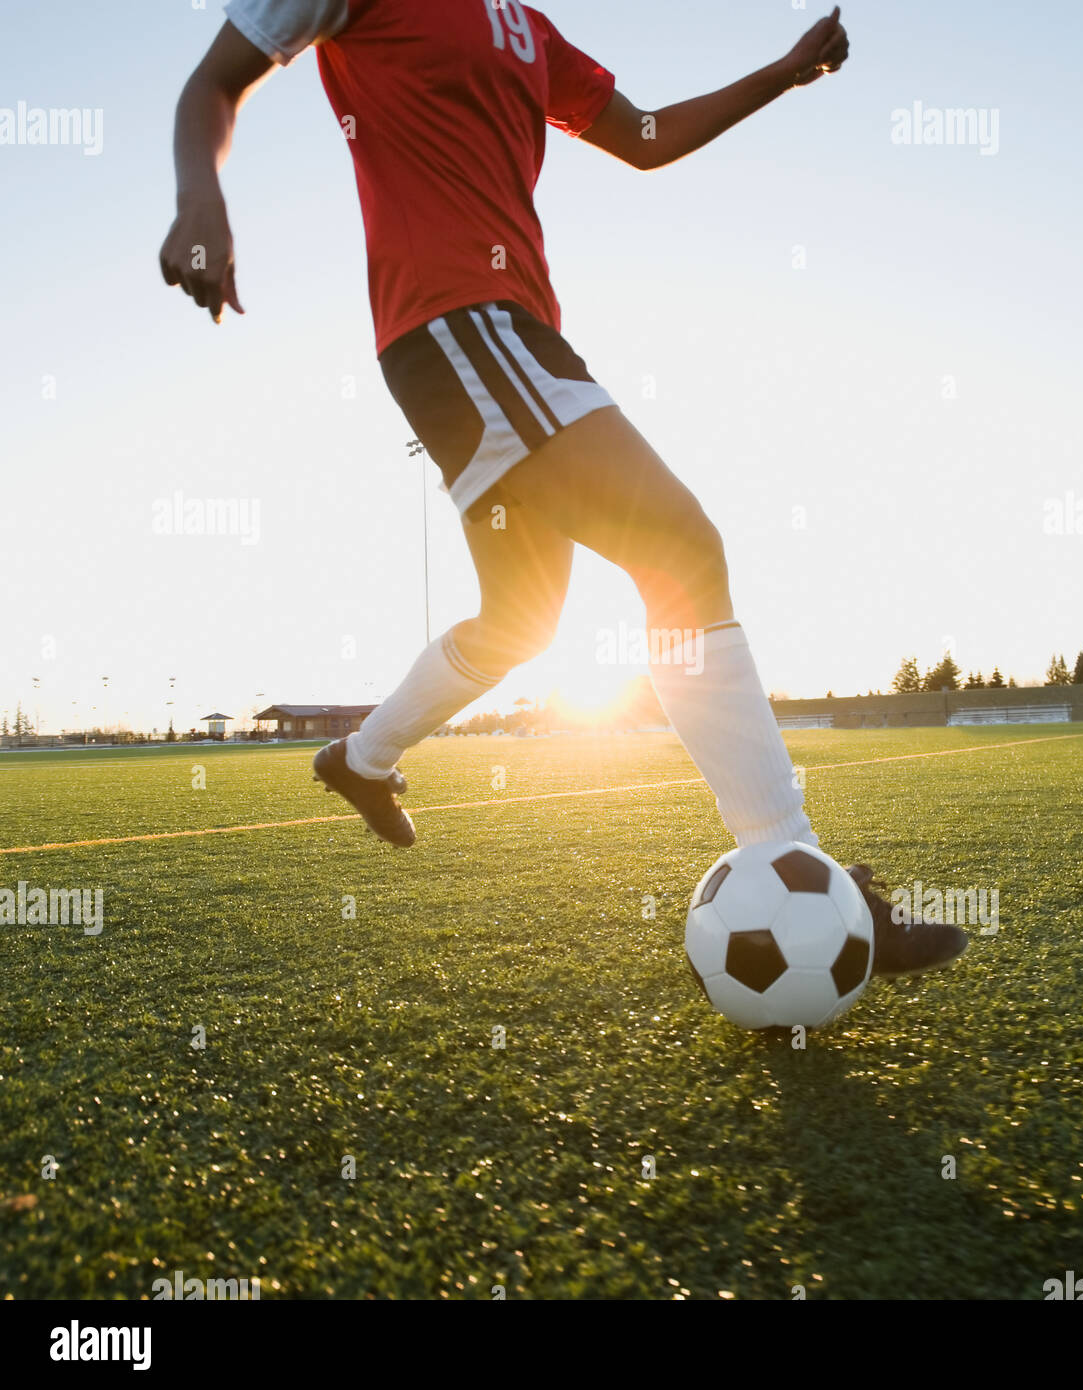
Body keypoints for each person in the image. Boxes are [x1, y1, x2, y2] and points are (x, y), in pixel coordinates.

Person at [161, 0, 966, 977]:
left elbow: (646, 137)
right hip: (459, 322)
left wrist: (783, 72)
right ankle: (792, 860)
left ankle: (360, 760)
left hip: (507, 334)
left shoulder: (524, 28)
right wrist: (201, 198)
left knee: (523, 617)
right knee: (679, 545)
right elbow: (214, 81)